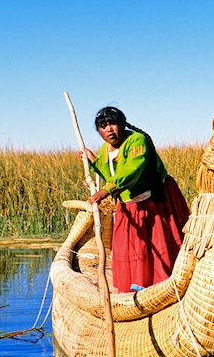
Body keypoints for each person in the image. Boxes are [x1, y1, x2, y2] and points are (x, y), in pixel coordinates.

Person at [81, 106, 190, 293]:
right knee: (129, 244)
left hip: (154, 199)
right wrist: (95, 162)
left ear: (122, 125)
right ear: (99, 130)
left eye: (113, 123)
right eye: (103, 125)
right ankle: (135, 286)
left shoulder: (137, 141)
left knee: (159, 243)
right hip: (129, 203)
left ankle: (163, 286)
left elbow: (131, 171)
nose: (109, 129)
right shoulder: (106, 150)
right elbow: (111, 175)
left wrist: (106, 191)